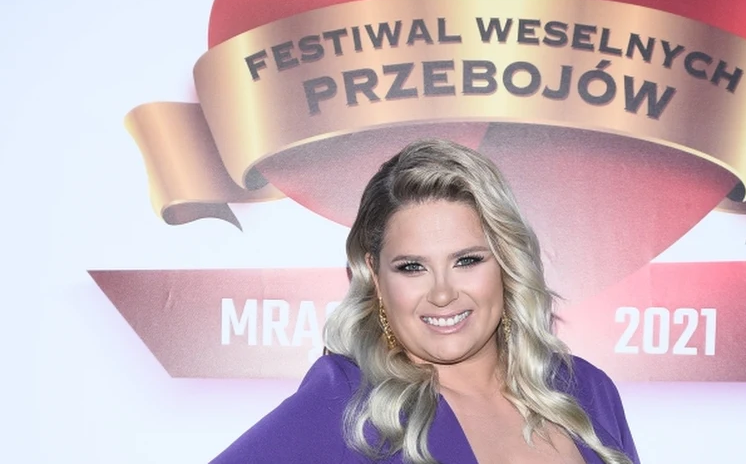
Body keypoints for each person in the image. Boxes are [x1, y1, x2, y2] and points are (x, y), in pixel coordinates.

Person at [212, 139, 640, 464]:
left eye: (467, 261)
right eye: (412, 267)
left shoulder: (585, 389)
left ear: (507, 263)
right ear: (376, 277)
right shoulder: (348, 402)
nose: (442, 293)